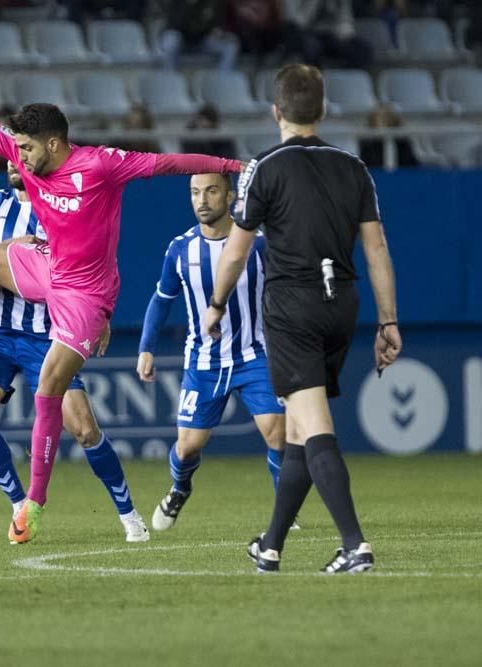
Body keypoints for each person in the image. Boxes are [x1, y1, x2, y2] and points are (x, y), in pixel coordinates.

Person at [0, 42, 241, 544]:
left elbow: (170, 163)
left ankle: (33, 504)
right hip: (47, 269)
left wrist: (234, 167)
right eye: (16, 148)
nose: (17, 158)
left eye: (27, 149)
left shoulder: (100, 166)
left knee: (48, 392)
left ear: (55, 144)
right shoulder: (29, 158)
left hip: (85, 298)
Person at [203, 64, 401, 574]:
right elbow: (376, 248)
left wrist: (217, 303)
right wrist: (388, 322)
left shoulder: (263, 168)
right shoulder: (353, 167)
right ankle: (270, 545)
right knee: (296, 428)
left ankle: (355, 545)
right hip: (344, 304)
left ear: (276, 112)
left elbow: (236, 252)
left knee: (313, 425)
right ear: (324, 110)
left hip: (293, 307)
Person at [0, 161, 149, 543]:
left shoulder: (66, 206)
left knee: (84, 428)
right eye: (8, 154)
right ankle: (18, 504)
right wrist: (16, 246)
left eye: (22, 152)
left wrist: (98, 314)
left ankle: (129, 515)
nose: (14, 162)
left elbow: (94, 261)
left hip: (49, 333)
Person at [137, 173, 288, 532]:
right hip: (203, 363)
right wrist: (146, 348)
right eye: (194, 192)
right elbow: (161, 301)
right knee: (187, 448)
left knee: (278, 434)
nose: (201, 200)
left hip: (254, 355)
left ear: (230, 196)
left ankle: (286, 507)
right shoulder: (180, 250)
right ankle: (180, 488)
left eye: (211, 191)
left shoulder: (259, 245)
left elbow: (286, 293)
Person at [159, 0, 239, 71]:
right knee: (171, 39)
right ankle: (170, 77)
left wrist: (220, 33)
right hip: (181, 42)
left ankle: (222, 80)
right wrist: (189, 4)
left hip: (203, 41)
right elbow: (174, 24)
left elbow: (218, 25)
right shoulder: (178, 2)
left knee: (230, 46)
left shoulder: (214, 2)